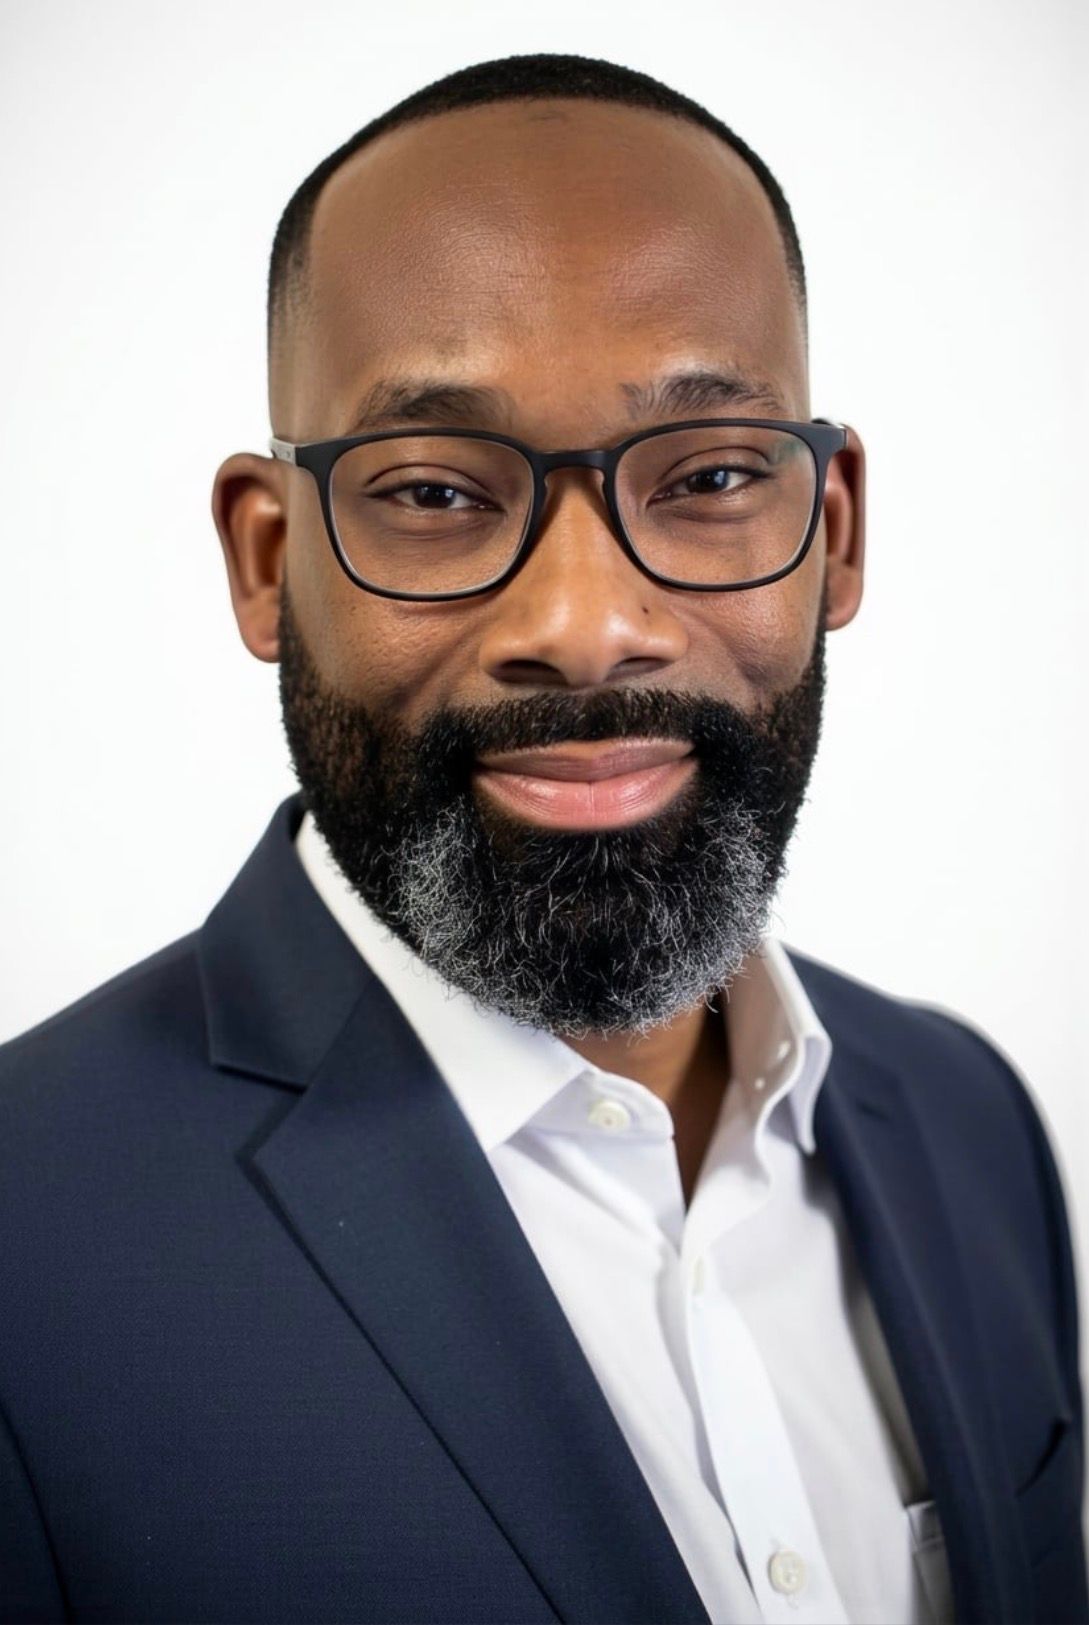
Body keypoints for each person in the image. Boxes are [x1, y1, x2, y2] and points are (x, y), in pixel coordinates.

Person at [0, 50, 1083, 1625]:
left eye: (710, 475)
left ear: (831, 531)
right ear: (266, 559)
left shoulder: (974, 1126)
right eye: (434, 491)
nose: (584, 628)